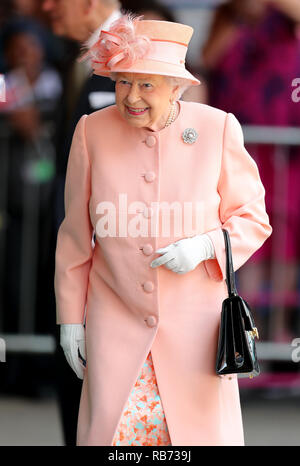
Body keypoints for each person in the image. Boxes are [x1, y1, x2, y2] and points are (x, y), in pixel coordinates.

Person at [54, 14, 272, 446]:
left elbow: (252, 219)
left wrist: (204, 246)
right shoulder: (90, 132)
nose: (131, 97)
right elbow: (76, 237)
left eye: (146, 84)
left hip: (197, 333)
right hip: (114, 324)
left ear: (178, 87)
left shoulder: (217, 128)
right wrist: (69, 321)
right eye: (122, 82)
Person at [201, 0, 300, 341]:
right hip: (239, 153)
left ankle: (278, 337)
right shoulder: (226, 20)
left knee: (284, 244)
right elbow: (209, 61)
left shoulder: (283, 20)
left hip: (284, 158)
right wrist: (235, 18)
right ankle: (249, 341)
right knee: (246, 243)